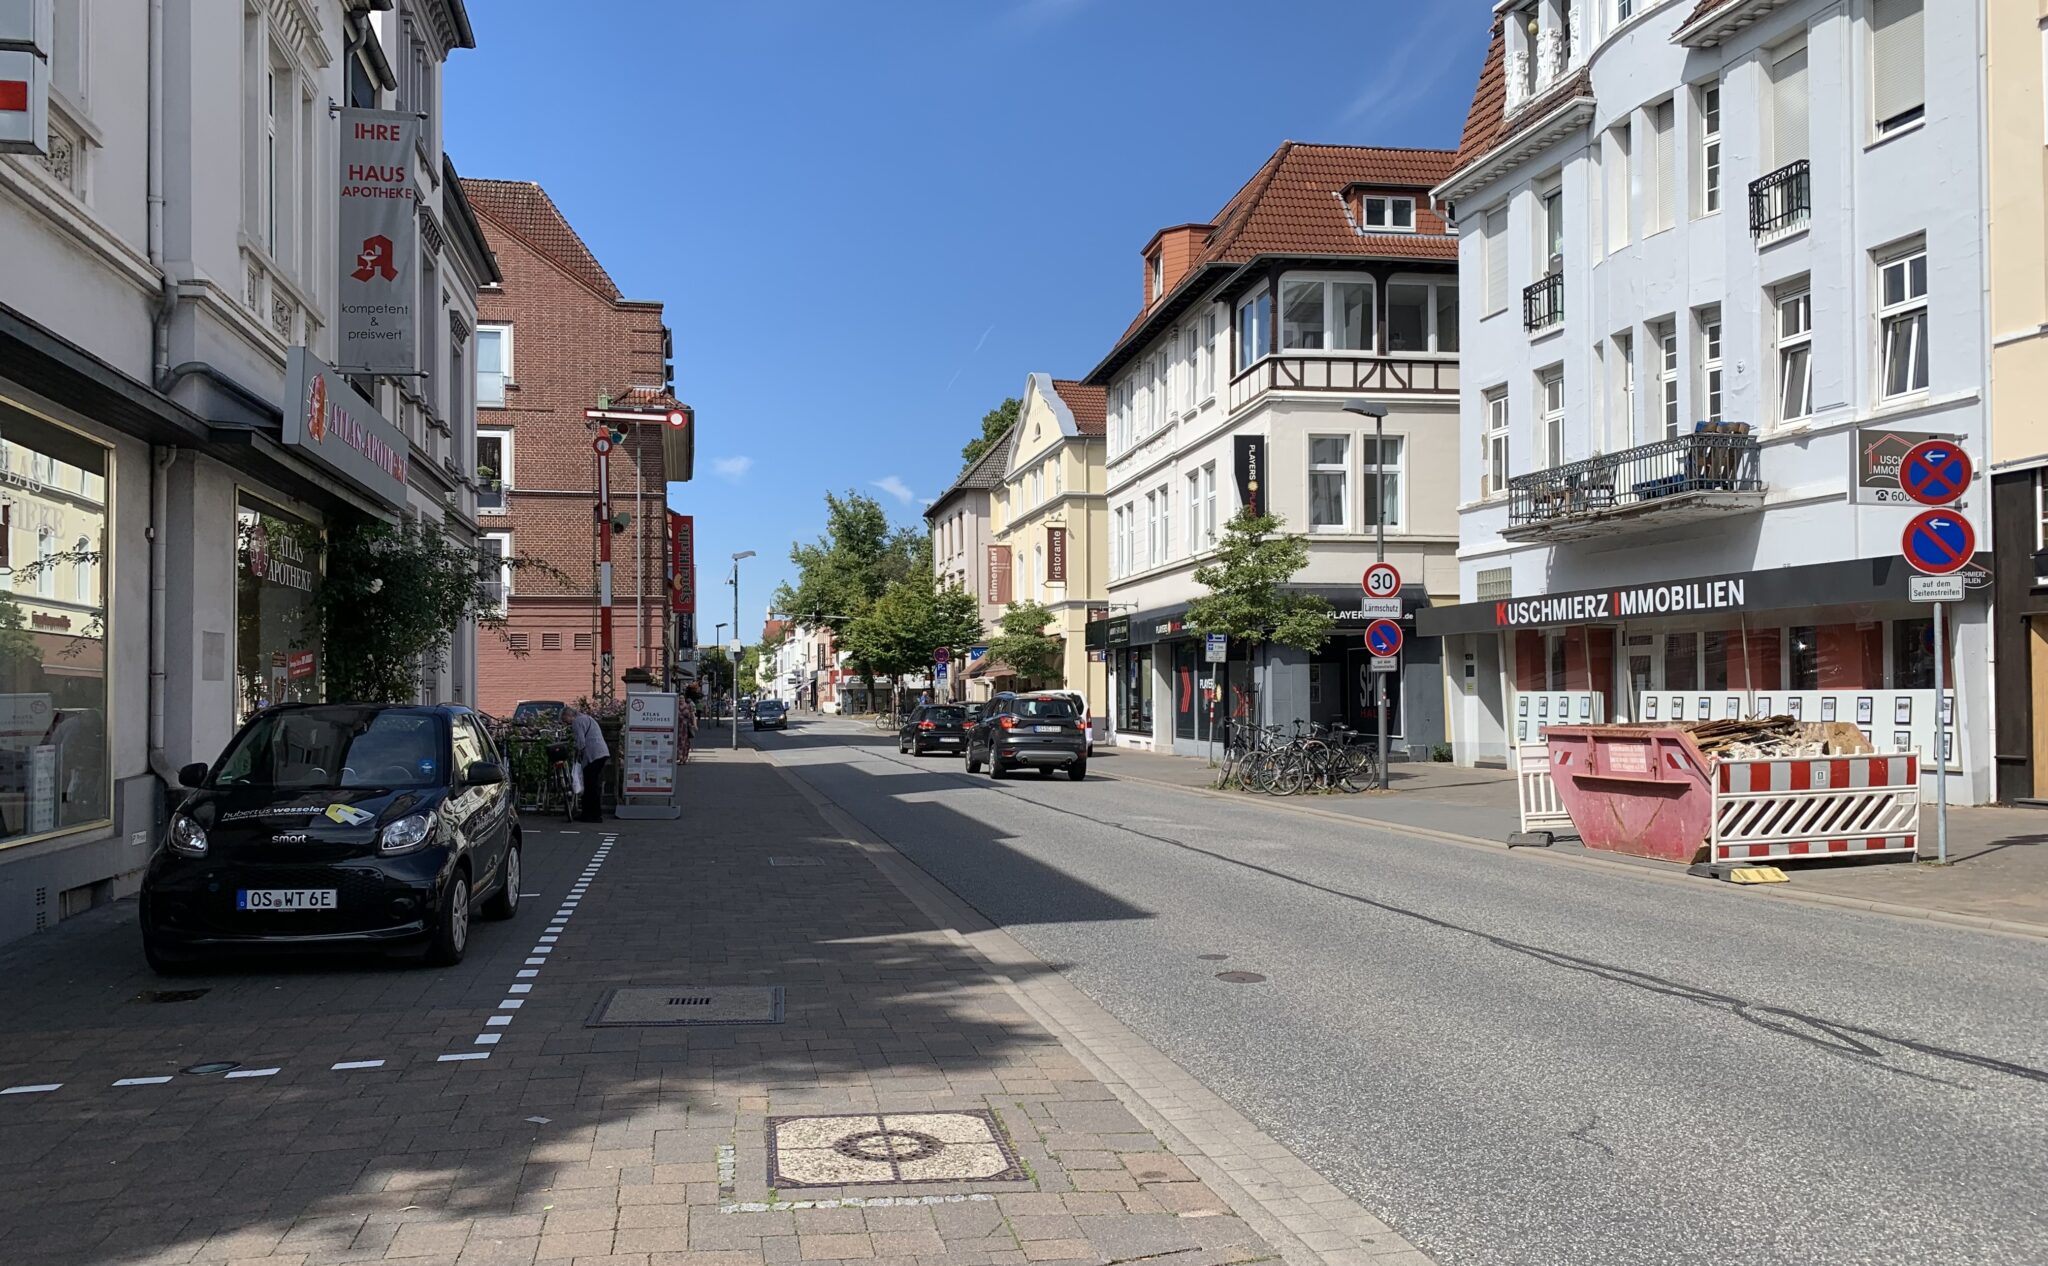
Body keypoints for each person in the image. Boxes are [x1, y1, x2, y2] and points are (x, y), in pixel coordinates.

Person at [564, 704, 610, 822]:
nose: (566, 724)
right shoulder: (588, 718)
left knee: (589, 786)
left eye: (565, 720)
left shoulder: (577, 722)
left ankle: (590, 815)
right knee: (593, 785)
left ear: (569, 715)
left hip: (592, 755)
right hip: (602, 753)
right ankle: (594, 813)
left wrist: (577, 752)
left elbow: (581, 741)